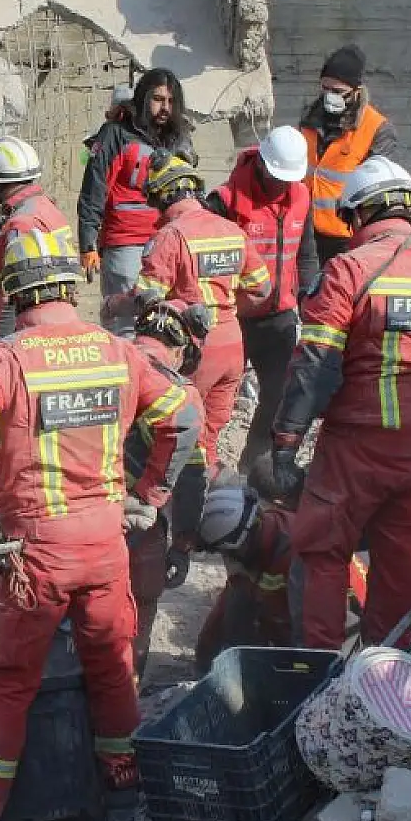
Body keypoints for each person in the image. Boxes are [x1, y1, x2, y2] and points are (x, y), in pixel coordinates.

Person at [0, 229, 200, 821]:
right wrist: (149, 497)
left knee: (11, 681)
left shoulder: (6, 358)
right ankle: (121, 791)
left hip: (34, 551)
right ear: (72, 283)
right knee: (113, 668)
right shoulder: (116, 351)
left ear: (16, 291)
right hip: (105, 543)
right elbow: (186, 415)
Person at [270, 157, 411, 650]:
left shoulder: (350, 270)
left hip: (354, 451)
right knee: (399, 564)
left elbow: (315, 365)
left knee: (324, 555)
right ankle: (386, 675)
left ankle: (320, 677)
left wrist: (285, 441)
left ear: (358, 215)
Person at [126, 153, 272, 578]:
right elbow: (261, 289)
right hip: (232, 345)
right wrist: (225, 308)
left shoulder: (171, 236)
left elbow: (147, 299)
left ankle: (175, 525)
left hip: (191, 350)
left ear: (162, 197)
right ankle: (212, 520)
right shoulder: (232, 230)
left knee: (176, 437)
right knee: (209, 438)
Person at [203, 126, 318, 470]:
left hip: (279, 316)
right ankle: (201, 466)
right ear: (262, 165)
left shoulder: (301, 197)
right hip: (232, 318)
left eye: (289, 180)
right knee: (215, 398)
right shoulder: (224, 201)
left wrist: (310, 300)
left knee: (277, 395)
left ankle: (253, 465)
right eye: (276, 177)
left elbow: (307, 254)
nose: (282, 186)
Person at [193, 471, 368, 672]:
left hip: (345, 631)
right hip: (301, 622)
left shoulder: (300, 556)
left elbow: (319, 632)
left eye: (224, 553)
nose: (226, 560)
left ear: (238, 544)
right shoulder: (263, 534)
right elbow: (227, 608)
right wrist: (203, 665)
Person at [119, 298, 208, 674]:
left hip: (62, 508)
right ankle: (128, 678)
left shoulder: (103, 356)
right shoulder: (174, 393)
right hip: (131, 515)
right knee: (143, 598)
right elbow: (189, 477)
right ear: (180, 349)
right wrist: (183, 545)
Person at [78, 68, 196, 296]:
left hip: (172, 243)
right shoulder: (116, 134)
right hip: (126, 246)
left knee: (167, 323)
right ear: (143, 98)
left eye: (171, 102)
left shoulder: (179, 138)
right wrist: (88, 244)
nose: (165, 108)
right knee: (125, 324)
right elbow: (94, 189)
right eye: (158, 99)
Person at [0, 137, 74, 343]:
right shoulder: (43, 207)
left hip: (29, 326)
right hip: (50, 319)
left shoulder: (21, 224)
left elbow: (14, 294)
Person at [300, 44, 398, 264]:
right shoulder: (310, 118)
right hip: (306, 231)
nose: (329, 97)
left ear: (356, 91)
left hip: (346, 236)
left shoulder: (376, 129)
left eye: (337, 91)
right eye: (325, 88)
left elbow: (375, 186)